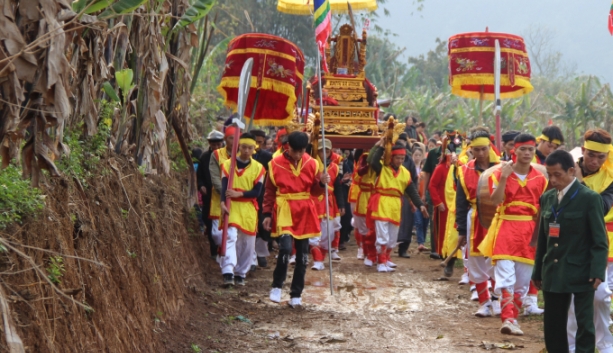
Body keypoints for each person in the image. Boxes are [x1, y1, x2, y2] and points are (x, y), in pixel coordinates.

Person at [533, 149, 608, 353]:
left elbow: (599, 240)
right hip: (553, 271)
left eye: (558, 174)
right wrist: (538, 270)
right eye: (549, 174)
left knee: (584, 324)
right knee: (553, 325)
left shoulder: (589, 198)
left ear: (572, 171)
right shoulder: (547, 198)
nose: (553, 179)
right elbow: (543, 239)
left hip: (582, 271)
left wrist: (597, 270)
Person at [478, 133, 548, 335]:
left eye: (531, 150)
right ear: (513, 151)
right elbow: (495, 200)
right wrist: (505, 177)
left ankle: (513, 319)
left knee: (522, 282)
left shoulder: (540, 178)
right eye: (523, 149)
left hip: (529, 232)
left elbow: (543, 207)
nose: (527, 153)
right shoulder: (500, 173)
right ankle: (507, 318)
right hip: (506, 228)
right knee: (505, 277)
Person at [263, 131, 330, 308]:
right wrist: (267, 214)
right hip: (284, 207)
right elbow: (269, 191)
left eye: (302, 151)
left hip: (305, 209)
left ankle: (296, 293)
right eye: (295, 151)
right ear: (288, 147)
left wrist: (322, 183)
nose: (299, 155)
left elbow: (315, 191)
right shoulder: (274, 164)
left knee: (302, 254)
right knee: (285, 249)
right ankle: (277, 285)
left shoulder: (313, 163)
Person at [568, 129, 613, 353]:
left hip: (602, 242)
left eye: (601, 157)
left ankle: (605, 345)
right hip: (570, 242)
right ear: (583, 150)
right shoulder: (564, 169)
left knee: (601, 296)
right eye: (591, 155)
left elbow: (601, 207)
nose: (595, 161)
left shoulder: (610, 179)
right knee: (571, 296)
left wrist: (577, 182)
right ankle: (570, 345)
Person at [367, 138, 429, 272]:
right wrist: (381, 146)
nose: (400, 161)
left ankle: (387, 258)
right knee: (382, 234)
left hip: (395, 205)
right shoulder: (382, 168)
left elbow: (411, 190)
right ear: (391, 157)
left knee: (393, 235)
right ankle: (381, 261)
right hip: (381, 203)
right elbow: (372, 160)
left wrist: (420, 205)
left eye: (402, 158)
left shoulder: (405, 173)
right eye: (397, 158)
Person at [456, 128, 500, 317]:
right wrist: (461, 231)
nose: (481, 154)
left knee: (498, 261)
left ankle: (498, 300)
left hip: (498, 217)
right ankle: (484, 302)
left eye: (484, 149)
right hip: (474, 218)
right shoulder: (464, 171)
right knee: (475, 261)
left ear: (489, 147)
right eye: (477, 150)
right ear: (470, 150)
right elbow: (460, 202)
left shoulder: (502, 168)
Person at [218, 133, 266, 286]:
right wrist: (222, 202)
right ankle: (228, 271)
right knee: (230, 236)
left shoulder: (259, 168)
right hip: (231, 205)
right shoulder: (228, 164)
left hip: (248, 207)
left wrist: (239, 193)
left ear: (254, 149)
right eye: (244, 147)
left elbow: (257, 192)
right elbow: (224, 186)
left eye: (250, 148)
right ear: (239, 147)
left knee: (247, 243)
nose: (246, 150)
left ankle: (241, 273)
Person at [310, 139, 345, 270]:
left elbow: (338, 187)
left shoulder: (335, 167)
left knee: (328, 232)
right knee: (315, 232)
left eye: (327, 150)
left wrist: (341, 204)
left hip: (329, 202)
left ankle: (323, 256)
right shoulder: (312, 164)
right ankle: (317, 260)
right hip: (314, 201)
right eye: (321, 150)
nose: (324, 153)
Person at [197, 130, 225, 257]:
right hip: (209, 195)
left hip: (224, 194)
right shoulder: (204, 157)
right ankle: (214, 250)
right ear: (209, 144)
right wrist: (201, 185)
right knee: (208, 221)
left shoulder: (228, 156)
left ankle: (225, 249)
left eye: (218, 144)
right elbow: (200, 176)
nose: (216, 147)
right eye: (213, 145)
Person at [208, 126, 236, 250]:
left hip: (239, 199)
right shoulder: (216, 155)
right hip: (220, 197)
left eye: (236, 138)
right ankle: (223, 249)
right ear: (226, 139)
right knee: (217, 233)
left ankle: (229, 258)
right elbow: (214, 176)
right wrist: (225, 193)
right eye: (231, 138)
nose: (234, 141)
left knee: (234, 232)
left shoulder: (244, 154)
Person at [250, 129, 273, 268]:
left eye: (260, 142)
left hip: (263, 195)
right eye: (255, 142)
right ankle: (251, 255)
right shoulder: (243, 156)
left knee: (263, 225)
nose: (258, 145)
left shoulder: (267, 157)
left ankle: (261, 253)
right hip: (247, 195)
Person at [396, 134, 419, 258]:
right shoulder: (389, 157)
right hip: (391, 194)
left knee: (407, 222)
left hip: (405, 195)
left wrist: (412, 197)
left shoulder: (409, 159)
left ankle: (403, 248)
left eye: (404, 141)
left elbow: (413, 179)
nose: (401, 143)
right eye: (399, 141)